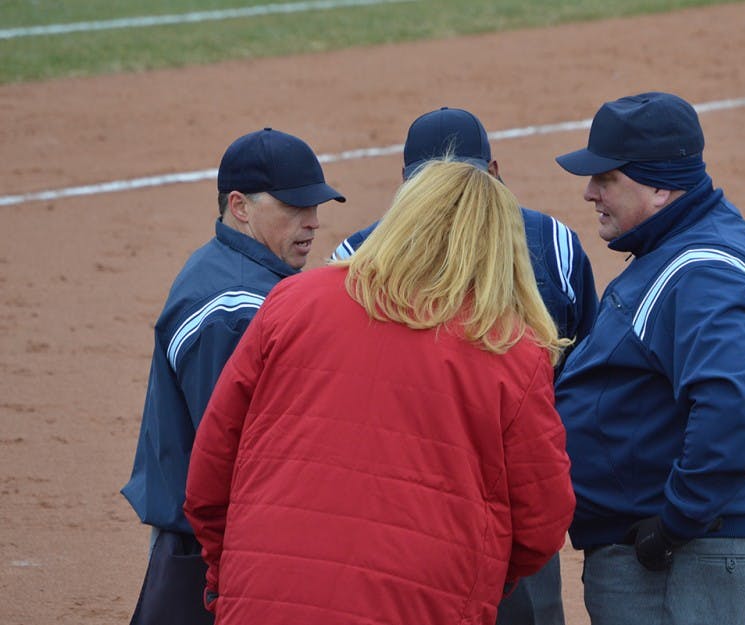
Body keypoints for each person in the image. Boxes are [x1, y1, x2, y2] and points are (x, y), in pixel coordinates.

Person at [183, 159, 577, 625]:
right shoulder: (510, 349)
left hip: (264, 597)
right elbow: (541, 523)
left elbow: (210, 471)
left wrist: (227, 572)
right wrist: (477, 575)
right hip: (426, 603)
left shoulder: (294, 300)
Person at [333, 107, 598, 625]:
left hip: (401, 509)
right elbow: (581, 374)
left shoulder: (358, 255)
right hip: (504, 503)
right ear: (494, 172)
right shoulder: (552, 243)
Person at [552, 92, 745, 625]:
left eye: (606, 178)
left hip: (675, 557)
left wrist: (676, 523)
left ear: (659, 186)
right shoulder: (675, 248)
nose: (589, 193)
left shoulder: (704, 272)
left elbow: (729, 407)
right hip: (657, 548)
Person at [120, 128, 346, 625]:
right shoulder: (235, 312)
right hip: (211, 554)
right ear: (240, 206)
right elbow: (234, 457)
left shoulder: (229, 267)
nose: (311, 223)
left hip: (206, 544)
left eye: (315, 207)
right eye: (294, 208)